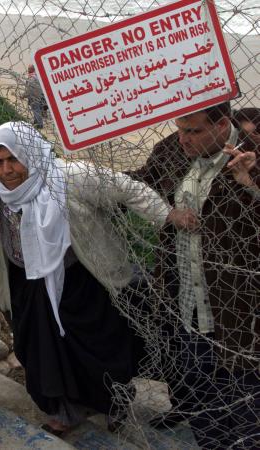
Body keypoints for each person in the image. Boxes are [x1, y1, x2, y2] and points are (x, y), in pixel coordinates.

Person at [0, 122, 188, 434]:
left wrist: (167, 215)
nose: (6, 171)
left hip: (79, 281)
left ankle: (112, 404)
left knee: (97, 348)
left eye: (14, 159)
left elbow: (126, 188)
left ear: (30, 155)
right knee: (40, 353)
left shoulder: (67, 177)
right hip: (26, 285)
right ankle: (64, 412)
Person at [130, 102, 259, 449]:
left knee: (248, 410)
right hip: (187, 306)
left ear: (223, 125)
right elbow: (140, 184)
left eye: (194, 131)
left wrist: (251, 183)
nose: (184, 139)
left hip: (242, 315)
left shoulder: (254, 154)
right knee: (204, 403)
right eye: (180, 129)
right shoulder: (172, 149)